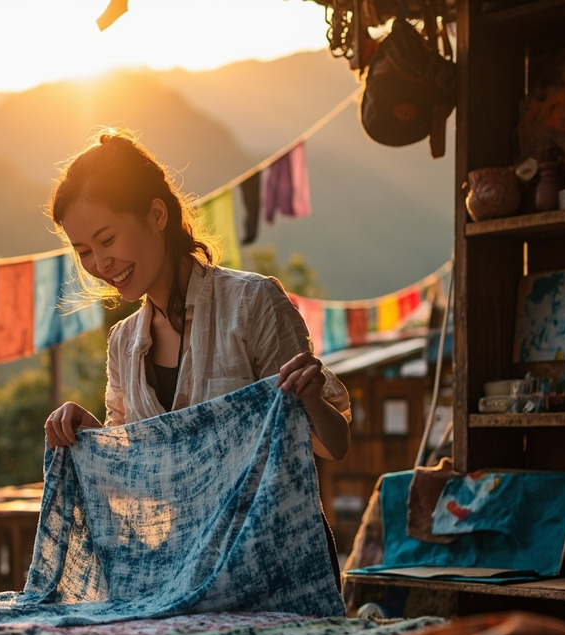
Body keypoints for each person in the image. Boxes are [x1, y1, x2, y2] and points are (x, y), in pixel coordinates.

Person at [42, 130, 352, 464]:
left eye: (107, 240)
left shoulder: (251, 303)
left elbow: (334, 446)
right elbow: (132, 468)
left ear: (157, 215)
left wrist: (311, 400)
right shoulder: (123, 344)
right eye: (84, 251)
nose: (100, 264)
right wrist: (87, 433)